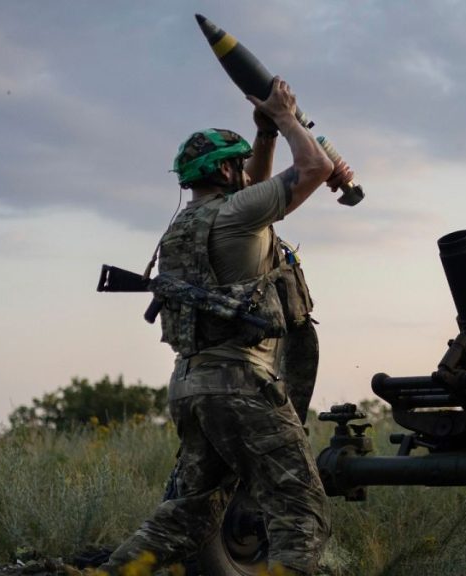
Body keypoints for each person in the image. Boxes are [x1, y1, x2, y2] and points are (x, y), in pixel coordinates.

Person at [98, 77, 350, 576]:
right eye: (238, 165)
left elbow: (257, 185)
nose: (245, 173)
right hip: (243, 386)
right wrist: (285, 115)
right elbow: (316, 167)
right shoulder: (238, 216)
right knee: (302, 513)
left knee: (188, 516)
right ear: (225, 170)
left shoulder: (185, 226)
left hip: (193, 385)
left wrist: (266, 135)